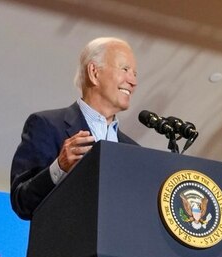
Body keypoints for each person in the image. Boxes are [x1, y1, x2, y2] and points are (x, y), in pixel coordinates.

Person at [10, 37, 139, 220]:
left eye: (135, 74)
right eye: (125, 69)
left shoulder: (133, 150)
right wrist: (59, 167)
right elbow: (21, 201)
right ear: (94, 72)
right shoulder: (47, 125)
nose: (133, 81)